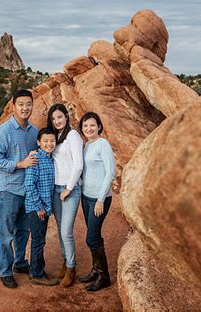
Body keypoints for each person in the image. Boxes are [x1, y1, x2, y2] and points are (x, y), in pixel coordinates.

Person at [0, 89, 39, 289]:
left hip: (27, 190)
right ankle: (5, 271)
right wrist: (20, 164)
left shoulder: (34, 131)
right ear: (13, 106)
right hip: (8, 189)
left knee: (23, 231)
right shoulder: (4, 131)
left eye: (28, 104)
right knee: (6, 233)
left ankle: (20, 263)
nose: (25, 108)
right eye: (21, 104)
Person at [78, 112, 115, 291]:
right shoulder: (86, 146)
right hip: (86, 197)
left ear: (99, 126)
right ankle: (95, 270)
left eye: (92, 125)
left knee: (91, 238)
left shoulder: (103, 144)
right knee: (95, 235)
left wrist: (101, 199)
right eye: (85, 126)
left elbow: (110, 173)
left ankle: (104, 276)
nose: (89, 129)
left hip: (99, 199)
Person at [47, 103, 83, 287]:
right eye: (53, 119)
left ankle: (71, 267)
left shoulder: (72, 135)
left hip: (70, 190)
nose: (57, 121)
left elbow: (78, 164)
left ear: (66, 117)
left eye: (60, 117)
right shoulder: (56, 137)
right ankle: (64, 261)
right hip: (55, 189)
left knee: (66, 231)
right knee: (61, 228)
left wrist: (69, 188)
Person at [24, 128, 59, 286]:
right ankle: (37, 274)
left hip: (44, 207)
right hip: (36, 208)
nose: (49, 144)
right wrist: (39, 208)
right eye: (45, 141)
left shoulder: (50, 159)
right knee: (38, 241)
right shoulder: (36, 158)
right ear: (39, 142)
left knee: (39, 240)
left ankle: (36, 270)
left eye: (52, 141)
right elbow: (29, 185)